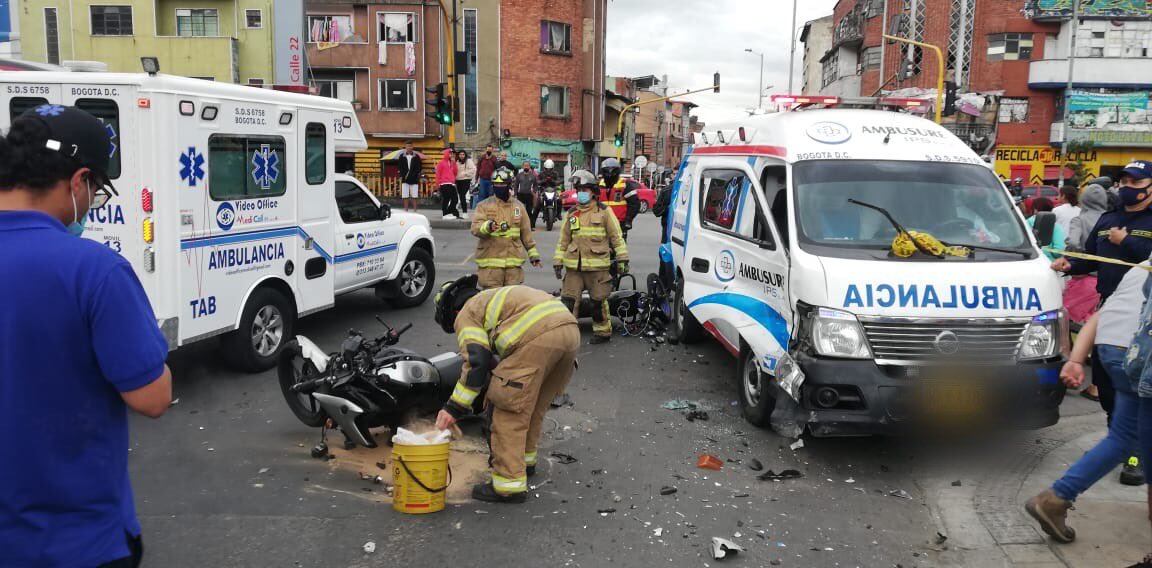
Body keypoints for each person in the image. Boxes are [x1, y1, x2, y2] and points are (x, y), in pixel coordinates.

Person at [0, 105, 172, 566]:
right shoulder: (94, 271)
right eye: (95, 188)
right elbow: (152, 397)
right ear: (78, 181)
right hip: (76, 541)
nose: (91, 200)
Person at [1025, 260, 1151, 543]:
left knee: (1124, 437)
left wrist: (1076, 359)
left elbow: (1100, 316)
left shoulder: (1141, 266)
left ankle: (1055, 499)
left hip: (1115, 349)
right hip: (1141, 353)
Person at [433, 275, 579, 503]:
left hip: (539, 338)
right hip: (570, 332)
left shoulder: (466, 313)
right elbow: (494, 359)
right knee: (533, 407)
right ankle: (525, 462)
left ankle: (508, 484)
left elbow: (476, 362)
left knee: (508, 411)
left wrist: (453, 409)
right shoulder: (493, 299)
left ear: (450, 311)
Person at [1053, 161, 1152, 475]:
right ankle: (1120, 440)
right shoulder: (1110, 218)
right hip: (1110, 308)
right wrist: (1071, 264)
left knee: (1138, 387)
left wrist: (1127, 242)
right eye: (1124, 180)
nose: (1127, 187)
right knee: (1107, 387)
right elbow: (1091, 258)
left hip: (1144, 314)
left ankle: (1135, 456)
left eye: (1135, 182)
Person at [555, 170, 629, 344]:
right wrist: (557, 261)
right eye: (579, 189)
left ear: (594, 191)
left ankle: (602, 333)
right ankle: (568, 336)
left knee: (598, 303)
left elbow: (616, 237)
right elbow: (563, 240)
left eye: (585, 189)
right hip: (574, 268)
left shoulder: (604, 212)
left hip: (597, 268)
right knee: (569, 303)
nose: (581, 192)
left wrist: (623, 259)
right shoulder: (572, 213)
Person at [471, 167, 541, 288]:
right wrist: (488, 226)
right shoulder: (483, 205)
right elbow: (475, 228)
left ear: (509, 185)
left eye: (502, 184)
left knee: (511, 302)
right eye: (496, 184)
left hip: (512, 267)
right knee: (491, 302)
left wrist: (533, 255)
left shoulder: (519, 207)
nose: (499, 187)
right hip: (490, 267)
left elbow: (526, 233)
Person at [597, 158, 641, 239]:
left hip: (619, 223)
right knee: (600, 249)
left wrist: (628, 220)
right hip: (601, 223)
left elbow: (635, 204)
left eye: (612, 171)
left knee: (619, 249)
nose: (609, 174)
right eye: (606, 171)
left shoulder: (625, 185)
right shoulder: (599, 185)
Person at [1067, 184, 1109, 252]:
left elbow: (1073, 243)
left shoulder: (1079, 220)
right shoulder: (1112, 218)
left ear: (1083, 199)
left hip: (1084, 260)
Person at [1027, 197, 1067, 261]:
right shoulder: (1055, 226)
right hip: (1048, 263)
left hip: (1027, 261)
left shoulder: (1025, 224)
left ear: (1035, 209)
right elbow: (1059, 250)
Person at [533, 159, 561, 229]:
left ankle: (559, 214)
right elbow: (537, 181)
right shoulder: (541, 174)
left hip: (553, 190)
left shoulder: (555, 173)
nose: (548, 170)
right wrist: (544, 180)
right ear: (544, 168)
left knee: (559, 200)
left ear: (552, 168)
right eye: (547, 169)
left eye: (550, 169)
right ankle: (532, 223)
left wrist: (552, 181)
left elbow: (558, 181)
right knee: (538, 204)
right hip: (543, 190)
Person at [396, 140, 422, 212]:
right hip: (405, 179)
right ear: (405, 147)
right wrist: (403, 175)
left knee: (415, 196)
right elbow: (400, 167)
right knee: (405, 196)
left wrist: (414, 175)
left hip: (414, 179)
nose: (409, 147)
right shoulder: (401, 156)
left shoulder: (417, 157)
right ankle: (406, 210)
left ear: (412, 146)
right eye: (407, 146)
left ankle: (415, 210)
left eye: (410, 146)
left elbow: (419, 168)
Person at [435, 148, 459, 219]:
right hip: (444, 183)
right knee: (446, 199)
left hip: (451, 183)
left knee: (455, 199)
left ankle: (448, 212)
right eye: (450, 153)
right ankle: (444, 214)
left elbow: (455, 173)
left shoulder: (452, 162)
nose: (451, 155)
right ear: (447, 154)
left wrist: (454, 163)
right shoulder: (441, 163)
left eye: (452, 154)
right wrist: (437, 184)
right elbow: (438, 174)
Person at [513, 161, 538, 226]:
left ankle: (531, 225)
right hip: (520, 194)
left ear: (529, 167)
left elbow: (536, 185)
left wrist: (534, 191)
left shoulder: (533, 176)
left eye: (527, 166)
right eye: (525, 165)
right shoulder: (519, 175)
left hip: (529, 195)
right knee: (518, 210)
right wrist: (515, 193)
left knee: (529, 211)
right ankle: (518, 224)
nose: (526, 167)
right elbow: (516, 185)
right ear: (522, 166)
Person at [455, 149, 476, 217]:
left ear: (465, 155)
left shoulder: (468, 161)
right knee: (460, 195)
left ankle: (465, 212)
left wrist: (464, 173)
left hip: (466, 180)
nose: (462, 156)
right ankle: (460, 211)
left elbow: (473, 169)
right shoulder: (456, 161)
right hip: (458, 180)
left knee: (462, 195)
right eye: (460, 154)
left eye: (463, 154)